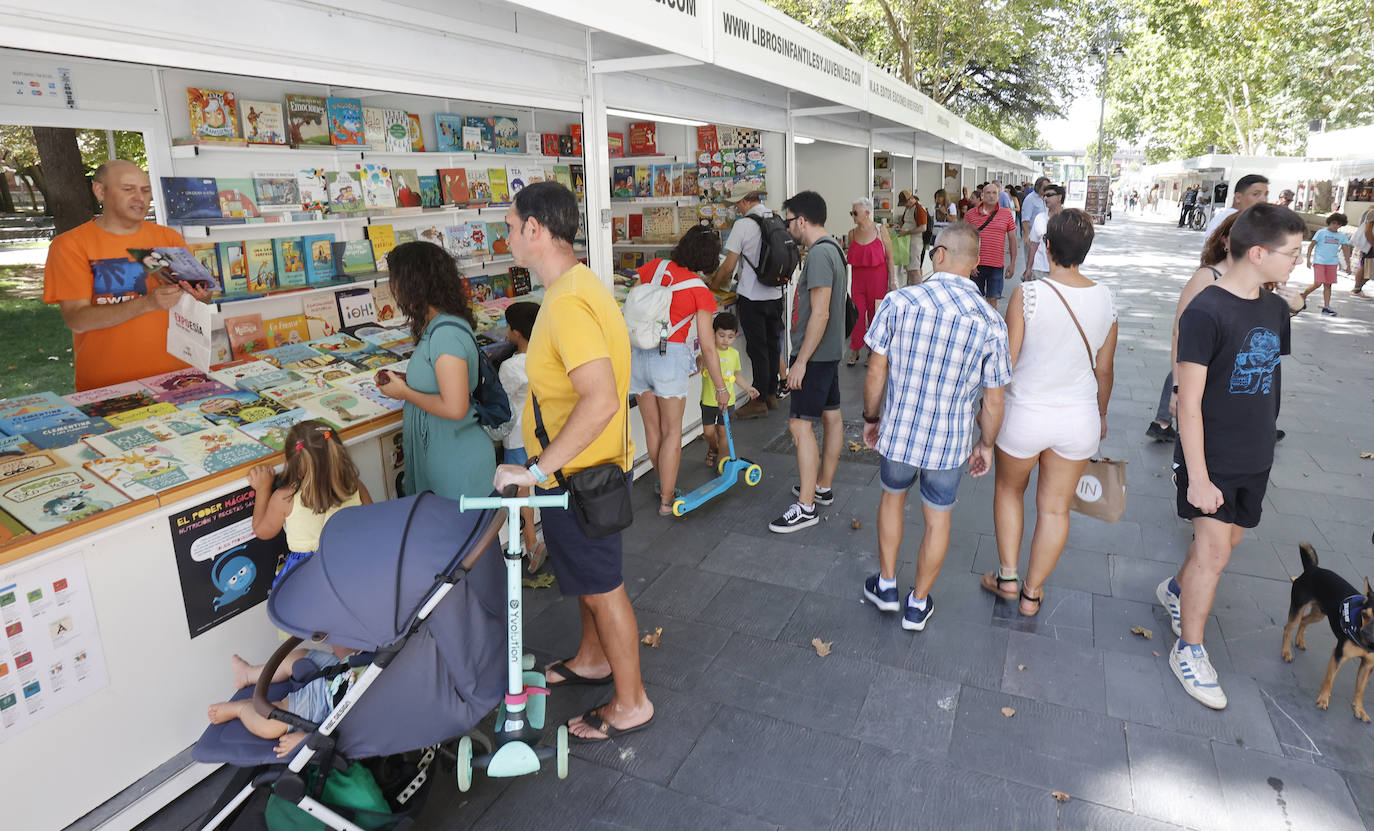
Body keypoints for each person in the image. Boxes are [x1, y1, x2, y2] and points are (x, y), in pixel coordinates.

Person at [492, 181, 652, 742]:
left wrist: (534, 471)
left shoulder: (565, 305)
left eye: (511, 226)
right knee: (588, 580)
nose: (507, 236)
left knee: (604, 588)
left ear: (535, 229)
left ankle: (632, 702)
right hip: (579, 474)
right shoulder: (578, 286)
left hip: (579, 478)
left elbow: (602, 397)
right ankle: (592, 660)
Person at [1156, 204, 1304, 710]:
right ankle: (1189, 649)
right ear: (1259, 253)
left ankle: (1176, 590)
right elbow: (1189, 403)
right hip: (1210, 454)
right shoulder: (1205, 310)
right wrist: (1196, 475)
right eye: (1292, 254)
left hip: (1255, 452)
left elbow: (1267, 384)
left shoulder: (1276, 309)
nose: (1295, 264)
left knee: (1225, 544)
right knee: (1214, 553)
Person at [860, 223, 1010, 631]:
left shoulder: (898, 302)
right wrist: (986, 445)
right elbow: (993, 399)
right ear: (976, 264)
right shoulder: (991, 322)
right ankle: (917, 604)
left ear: (938, 254)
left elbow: (875, 374)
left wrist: (872, 419)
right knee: (937, 520)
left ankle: (887, 585)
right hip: (950, 442)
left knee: (892, 499)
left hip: (900, 431)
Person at [983, 210, 1117, 615]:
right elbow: (1105, 369)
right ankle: (1032, 594)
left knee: (1009, 490)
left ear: (1047, 248)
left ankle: (1007, 576)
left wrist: (988, 412)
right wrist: (1102, 413)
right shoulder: (1106, 298)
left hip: (1025, 413)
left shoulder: (1029, 294)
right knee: (1056, 508)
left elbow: (1007, 361)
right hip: (1079, 419)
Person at [43, 159, 213, 391]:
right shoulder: (70, 245)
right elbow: (77, 319)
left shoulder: (168, 237)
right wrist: (148, 303)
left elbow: (203, 297)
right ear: (100, 191)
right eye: (128, 189)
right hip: (109, 385)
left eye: (145, 190)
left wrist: (201, 292)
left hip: (178, 377)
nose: (140, 198)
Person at [377, 241, 495, 500]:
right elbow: (442, 380)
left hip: (456, 468)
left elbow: (455, 407)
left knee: (462, 538)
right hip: (448, 459)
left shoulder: (445, 334)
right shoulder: (440, 324)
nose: (392, 288)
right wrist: (409, 382)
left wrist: (405, 392)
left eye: (394, 280)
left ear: (413, 283)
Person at [632, 226, 729, 515]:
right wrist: (721, 387)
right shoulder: (700, 291)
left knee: (652, 428)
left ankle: (663, 482)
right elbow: (709, 347)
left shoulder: (655, 267)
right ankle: (666, 500)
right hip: (670, 358)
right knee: (672, 431)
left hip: (639, 352)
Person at [769, 191, 847, 534]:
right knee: (831, 416)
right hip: (827, 353)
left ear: (801, 219)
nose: (788, 229)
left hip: (814, 355)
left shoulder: (818, 255)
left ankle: (806, 506)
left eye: (788, 222)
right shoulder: (834, 248)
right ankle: (821, 486)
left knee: (800, 426)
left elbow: (821, 312)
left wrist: (800, 362)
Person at [1146, 213, 1240, 442]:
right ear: (1225, 241)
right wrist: (1177, 388)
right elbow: (1180, 332)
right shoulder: (1207, 277)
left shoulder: (1252, 281)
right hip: (1204, 379)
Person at [246, 419, 372, 585]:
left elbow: (263, 531)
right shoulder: (354, 485)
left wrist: (263, 490)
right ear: (338, 454)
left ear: (289, 464)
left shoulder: (285, 498)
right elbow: (371, 518)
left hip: (308, 573)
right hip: (351, 562)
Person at [210, 646, 360, 758]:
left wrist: (309, 739)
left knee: (268, 725)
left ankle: (241, 708)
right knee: (299, 657)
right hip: (342, 669)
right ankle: (249, 674)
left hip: (327, 703)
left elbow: (354, 729)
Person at [711, 186, 783, 418]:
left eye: (736, 204)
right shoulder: (775, 218)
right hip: (776, 294)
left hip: (753, 296)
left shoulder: (743, 225)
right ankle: (771, 393)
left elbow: (729, 266)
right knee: (773, 345)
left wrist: (713, 286)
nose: (735, 209)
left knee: (757, 348)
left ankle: (759, 399)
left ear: (744, 202)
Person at [496, 301, 546, 571]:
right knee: (544, 485)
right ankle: (545, 538)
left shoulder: (510, 367)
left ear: (515, 332)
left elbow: (501, 401)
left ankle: (531, 544)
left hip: (516, 437)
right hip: (542, 436)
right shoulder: (546, 357)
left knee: (521, 493)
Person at [699, 312, 758, 467]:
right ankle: (713, 447)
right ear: (714, 333)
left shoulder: (734, 354)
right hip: (708, 400)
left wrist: (748, 387)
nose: (725, 340)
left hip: (728, 401)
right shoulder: (708, 352)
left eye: (730, 336)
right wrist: (700, 360)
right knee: (709, 433)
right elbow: (700, 364)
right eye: (721, 335)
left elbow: (736, 375)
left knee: (724, 432)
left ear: (736, 336)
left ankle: (723, 461)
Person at [845, 196, 895, 367]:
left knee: (875, 315)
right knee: (857, 314)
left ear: (867, 212)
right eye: (851, 212)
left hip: (878, 278)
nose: (852, 215)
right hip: (858, 280)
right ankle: (855, 348)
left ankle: (872, 349)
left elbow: (890, 257)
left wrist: (892, 281)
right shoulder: (852, 234)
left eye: (855, 212)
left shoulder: (880, 230)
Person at [966, 182, 1019, 307]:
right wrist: (970, 263)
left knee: (993, 299)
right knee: (975, 300)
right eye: (988, 193)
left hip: (996, 265)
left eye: (994, 193)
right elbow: (966, 239)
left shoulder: (1006, 214)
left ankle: (993, 325)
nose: (991, 196)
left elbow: (1013, 239)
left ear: (998, 196)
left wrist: (1012, 264)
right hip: (976, 265)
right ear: (982, 196)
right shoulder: (971, 214)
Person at [1300, 212, 1351, 316]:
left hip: (1332, 263)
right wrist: (1309, 259)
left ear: (1341, 225)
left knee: (1328, 285)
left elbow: (1346, 250)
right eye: (1333, 223)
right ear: (1329, 222)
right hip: (1320, 261)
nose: (1335, 226)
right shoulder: (1321, 232)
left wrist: (1348, 265)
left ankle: (1326, 307)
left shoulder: (1341, 236)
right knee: (1318, 283)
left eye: (1338, 224)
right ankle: (1303, 295)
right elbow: (1311, 245)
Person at [1204, 174, 1269, 238]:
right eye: (1256, 194)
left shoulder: (1223, 217)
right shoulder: (1235, 220)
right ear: (1238, 197)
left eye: (1266, 194)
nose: (1264, 199)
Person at [1023, 183, 1065, 282]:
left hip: (1061, 270)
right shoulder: (1040, 218)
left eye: (1049, 195)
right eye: (1044, 196)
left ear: (1059, 197)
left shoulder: (1069, 220)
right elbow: (1033, 245)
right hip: (1039, 269)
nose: (1045, 198)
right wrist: (1029, 269)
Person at [894, 190, 928, 284]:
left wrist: (907, 232)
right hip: (907, 242)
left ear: (910, 199)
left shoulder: (919, 209)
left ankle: (918, 290)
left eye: (905, 203)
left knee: (914, 270)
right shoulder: (908, 209)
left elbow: (923, 227)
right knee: (909, 270)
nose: (904, 205)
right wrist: (899, 226)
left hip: (915, 243)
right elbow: (903, 221)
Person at [1020, 177, 1049, 252]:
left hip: (1044, 234)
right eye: (1045, 187)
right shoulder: (1030, 199)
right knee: (1031, 260)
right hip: (1032, 234)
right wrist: (1026, 235)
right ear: (1038, 187)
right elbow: (1025, 219)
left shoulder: (1045, 199)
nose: (1047, 189)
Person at [1353, 207, 1374, 296]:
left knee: (1366, 266)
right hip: (1370, 244)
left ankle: (1357, 289)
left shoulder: (1369, 211)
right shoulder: (1372, 213)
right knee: (1367, 267)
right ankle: (1357, 289)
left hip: (1368, 244)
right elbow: (1367, 231)